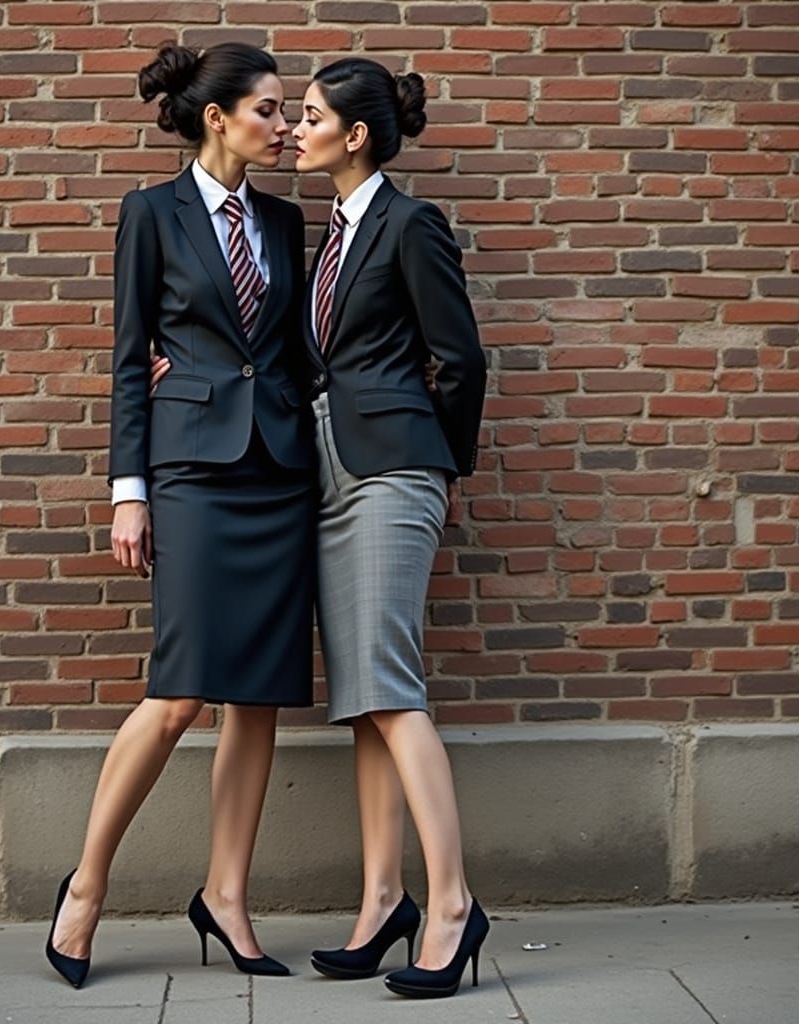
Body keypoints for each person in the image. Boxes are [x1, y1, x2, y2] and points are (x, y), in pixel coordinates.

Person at [44, 42, 315, 989]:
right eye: (273, 111)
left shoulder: (285, 223)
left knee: (258, 698)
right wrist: (130, 487)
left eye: (288, 114)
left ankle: (228, 898)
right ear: (219, 117)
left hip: (280, 471)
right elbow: (129, 354)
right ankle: (86, 887)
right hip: (192, 472)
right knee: (180, 693)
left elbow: (294, 353)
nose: (287, 128)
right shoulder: (149, 214)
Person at [293, 58, 489, 999]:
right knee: (363, 696)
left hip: (392, 470)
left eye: (311, 115)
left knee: (393, 688)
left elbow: (461, 356)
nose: (296, 128)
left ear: (356, 134)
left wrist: (434, 465)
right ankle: (382, 901)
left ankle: (451, 906)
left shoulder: (411, 225)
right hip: (327, 471)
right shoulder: (327, 239)